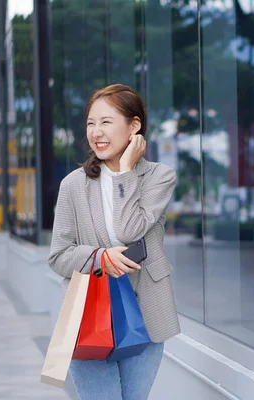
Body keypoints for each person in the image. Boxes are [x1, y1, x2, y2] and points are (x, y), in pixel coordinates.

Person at [48, 83, 180, 400]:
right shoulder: (73, 185)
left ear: (134, 126)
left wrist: (125, 173)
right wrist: (100, 258)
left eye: (106, 122)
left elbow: (130, 229)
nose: (96, 132)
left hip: (145, 311)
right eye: (91, 123)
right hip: (88, 314)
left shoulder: (160, 177)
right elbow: (58, 257)